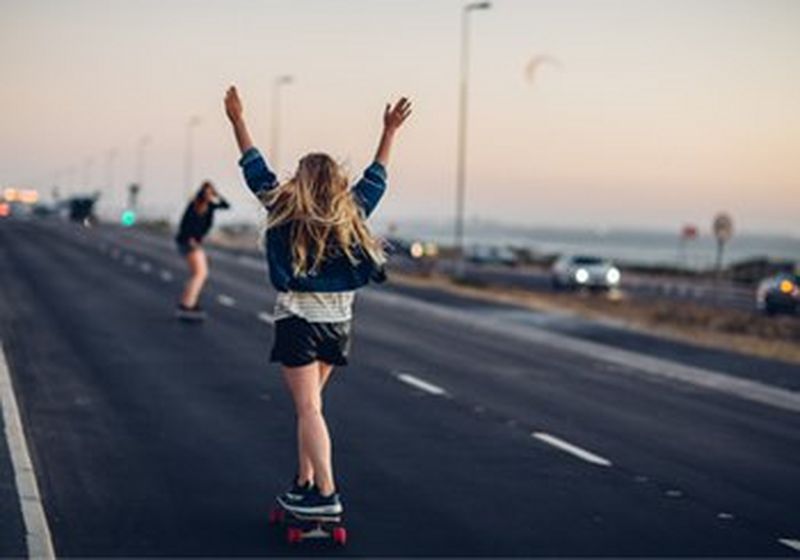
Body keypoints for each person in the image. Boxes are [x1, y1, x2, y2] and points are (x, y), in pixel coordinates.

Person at [224, 85, 411, 516]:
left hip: (298, 324)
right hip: (338, 327)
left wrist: (237, 121)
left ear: (303, 180)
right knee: (312, 409)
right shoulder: (352, 211)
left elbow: (255, 171)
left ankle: (326, 494)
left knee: (308, 408)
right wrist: (389, 132)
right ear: (335, 181)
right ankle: (304, 483)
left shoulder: (284, 207)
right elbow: (377, 176)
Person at [175, 181, 230, 319]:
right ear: (201, 192)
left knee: (197, 274)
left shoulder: (210, 206)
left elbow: (226, 206)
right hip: (188, 242)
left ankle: (187, 302)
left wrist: (218, 195)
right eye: (206, 192)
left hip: (195, 242)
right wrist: (191, 239)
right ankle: (188, 304)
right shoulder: (194, 205)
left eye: (211, 192)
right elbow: (185, 224)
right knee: (200, 273)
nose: (208, 194)